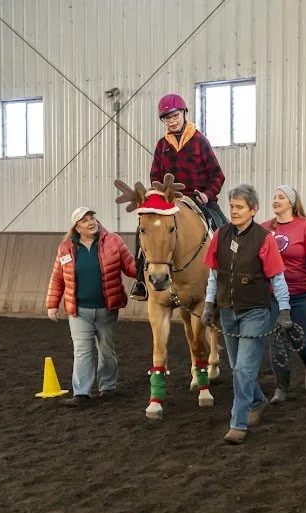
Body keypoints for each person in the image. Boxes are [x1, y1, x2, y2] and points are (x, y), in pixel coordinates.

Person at [201, 184, 292, 445]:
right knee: (237, 367)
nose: (234, 211)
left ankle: (238, 423)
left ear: (254, 210)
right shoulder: (220, 236)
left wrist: (284, 310)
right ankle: (257, 401)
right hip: (228, 312)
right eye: (232, 207)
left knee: (242, 369)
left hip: (255, 312)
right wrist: (209, 305)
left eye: (240, 207)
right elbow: (213, 276)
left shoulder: (265, 239)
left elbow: (278, 279)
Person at [130, 93, 228, 301]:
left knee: (225, 230)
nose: (172, 121)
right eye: (167, 118)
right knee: (143, 230)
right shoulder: (161, 145)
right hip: (170, 201)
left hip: (200, 199)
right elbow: (155, 175)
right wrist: (158, 195)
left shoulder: (200, 141)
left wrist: (207, 194)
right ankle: (140, 280)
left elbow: (217, 175)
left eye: (175, 116)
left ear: (184, 113)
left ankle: (228, 280)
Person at [45, 207, 137, 407]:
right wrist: (52, 304)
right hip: (79, 311)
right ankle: (82, 393)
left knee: (106, 350)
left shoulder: (113, 241)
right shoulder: (66, 248)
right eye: (84, 220)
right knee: (82, 351)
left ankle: (108, 387)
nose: (90, 222)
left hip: (107, 308)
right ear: (76, 227)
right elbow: (58, 278)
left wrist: (147, 266)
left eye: (92, 217)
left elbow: (130, 266)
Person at [260, 185, 306, 403]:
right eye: (274, 197)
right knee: (278, 341)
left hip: (302, 294)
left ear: (292, 202)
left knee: (304, 342)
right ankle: (282, 387)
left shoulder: (305, 227)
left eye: (281, 197)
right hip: (275, 297)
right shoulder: (264, 228)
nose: (276, 200)